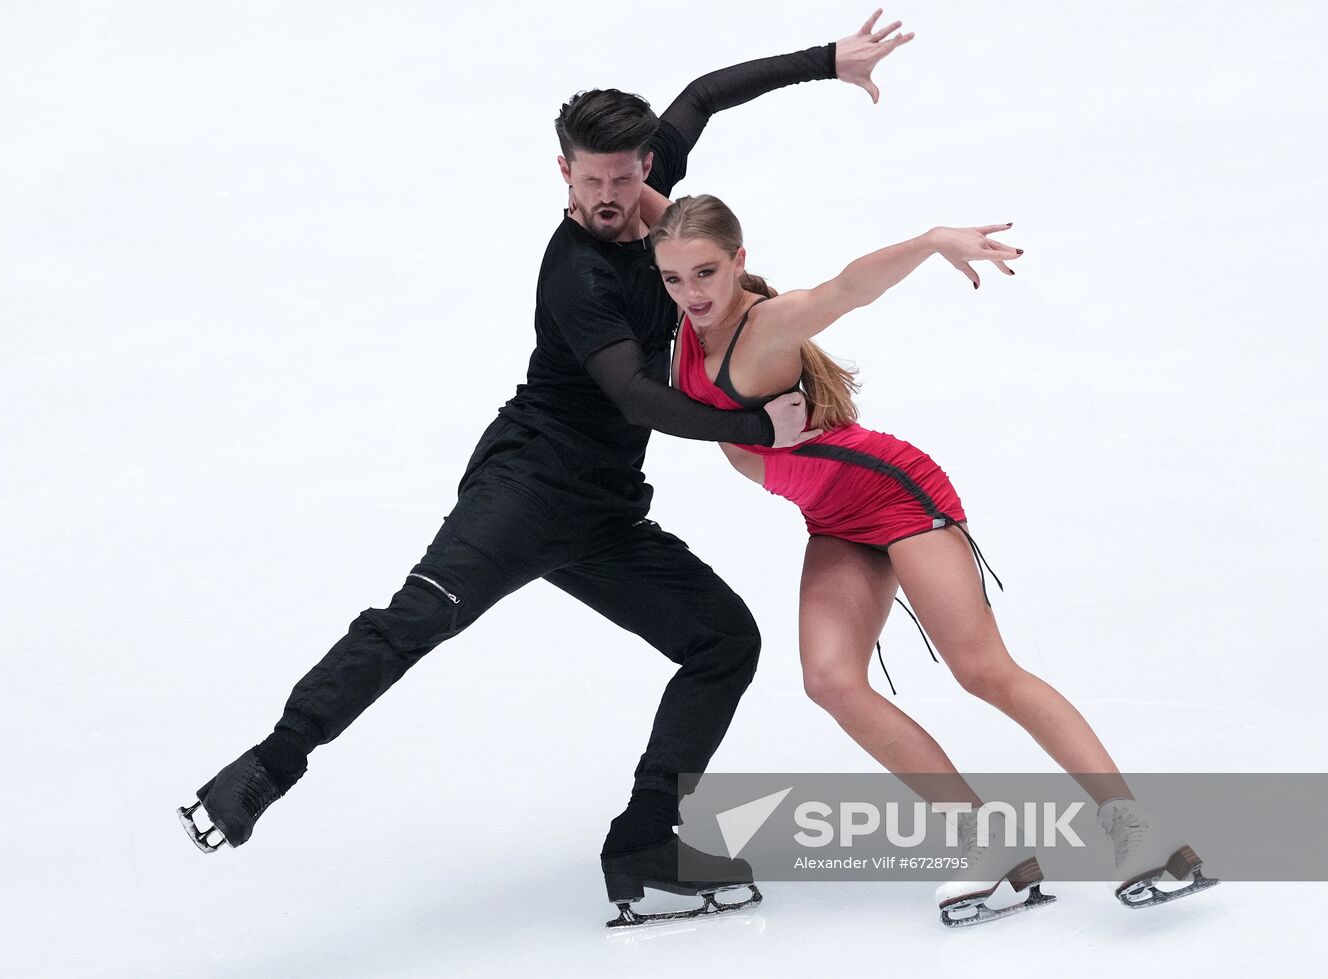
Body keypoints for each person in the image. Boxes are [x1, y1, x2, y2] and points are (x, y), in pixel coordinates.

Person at [177, 13, 919, 929]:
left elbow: (704, 94)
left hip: (605, 513)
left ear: (647, 163)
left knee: (723, 640)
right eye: (589, 176)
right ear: (561, 169)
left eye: (623, 174)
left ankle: (646, 845)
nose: (608, 194)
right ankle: (261, 770)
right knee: (413, 622)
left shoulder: (656, 195)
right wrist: (751, 419)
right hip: (525, 490)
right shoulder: (576, 272)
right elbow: (636, 396)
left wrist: (827, 62)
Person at [646, 191, 1220, 926]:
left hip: (896, 495)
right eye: (673, 279)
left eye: (705, 273)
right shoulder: (684, 311)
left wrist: (930, 240)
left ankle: (1143, 834)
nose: (691, 294)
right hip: (832, 515)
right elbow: (654, 182)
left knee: (982, 668)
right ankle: (989, 844)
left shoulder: (769, 325)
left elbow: (847, 289)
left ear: (739, 261)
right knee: (829, 679)